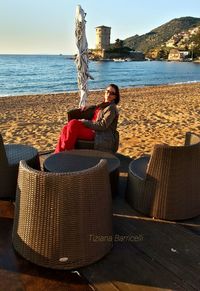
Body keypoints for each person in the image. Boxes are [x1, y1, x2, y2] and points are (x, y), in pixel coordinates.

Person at [54, 84, 120, 153]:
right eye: (107, 91)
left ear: (115, 97)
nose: (108, 94)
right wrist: (88, 107)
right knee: (65, 128)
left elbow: (102, 126)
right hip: (92, 128)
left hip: (98, 133)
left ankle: (67, 152)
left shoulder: (111, 108)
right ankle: (58, 153)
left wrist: (84, 121)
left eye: (112, 93)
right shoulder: (104, 104)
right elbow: (95, 108)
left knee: (73, 123)